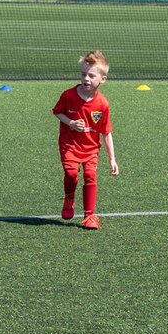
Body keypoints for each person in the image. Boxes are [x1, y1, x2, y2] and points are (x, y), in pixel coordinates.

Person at [53, 50, 119, 230]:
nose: (86, 79)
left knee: (90, 176)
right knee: (71, 174)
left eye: (91, 75)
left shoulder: (103, 104)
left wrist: (112, 159)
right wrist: (71, 123)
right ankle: (69, 198)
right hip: (69, 145)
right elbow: (57, 112)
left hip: (91, 148)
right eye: (83, 74)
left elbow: (106, 132)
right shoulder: (68, 95)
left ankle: (90, 215)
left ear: (102, 79)